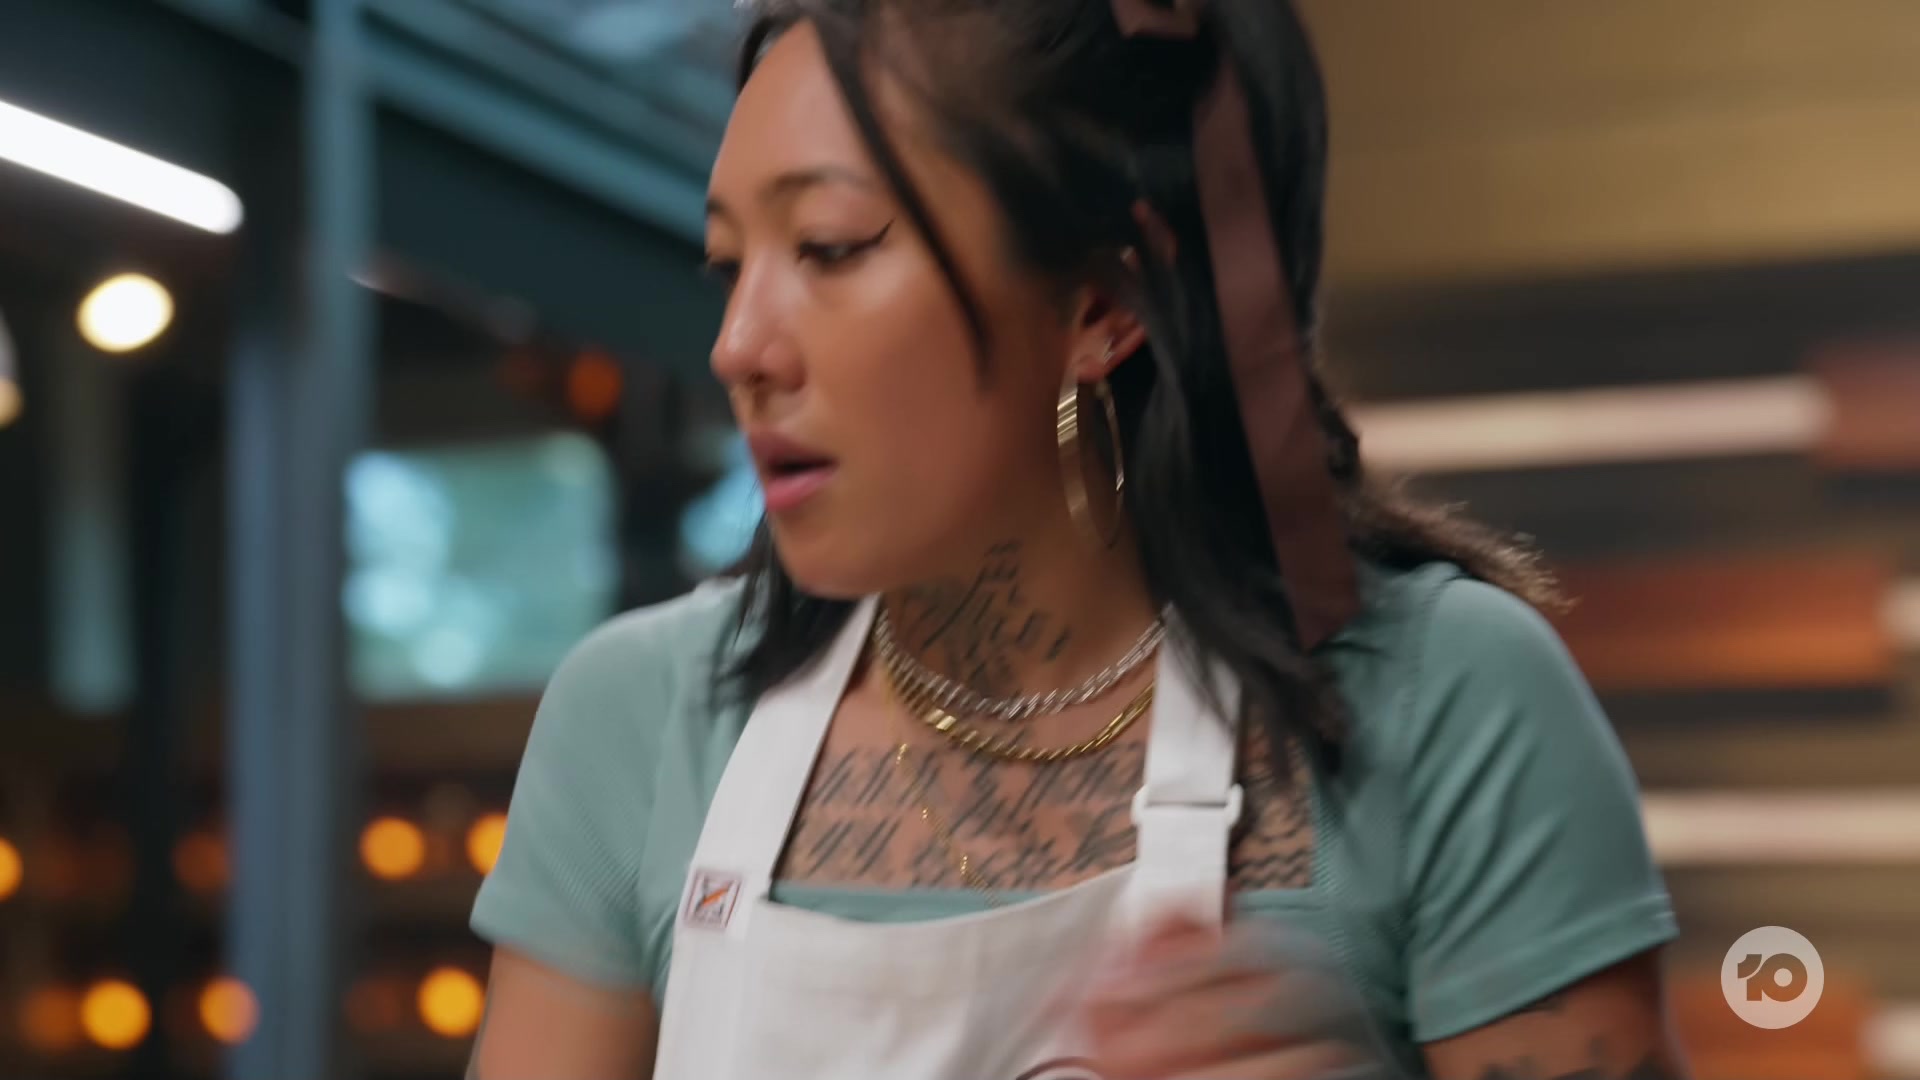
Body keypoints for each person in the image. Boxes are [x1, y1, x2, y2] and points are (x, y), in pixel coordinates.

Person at [468, 0, 1687, 1077]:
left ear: (1103, 303)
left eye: (831, 248)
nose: (740, 345)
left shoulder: (1442, 705)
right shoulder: (640, 720)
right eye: (728, 266)